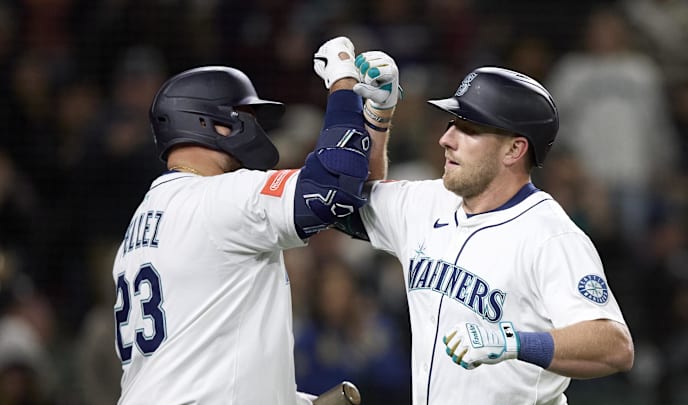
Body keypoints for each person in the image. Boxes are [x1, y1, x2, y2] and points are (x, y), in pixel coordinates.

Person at [324, 38, 635, 404]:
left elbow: (614, 346)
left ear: (514, 149)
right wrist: (378, 115)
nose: (445, 139)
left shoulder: (549, 235)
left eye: (468, 129)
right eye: (451, 123)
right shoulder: (428, 202)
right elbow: (348, 198)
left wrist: (513, 342)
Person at [112, 37, 374, 404]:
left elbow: (201, 359)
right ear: (213, 123)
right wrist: (344, 85)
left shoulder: (142, 222)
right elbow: (333, 187)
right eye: (246, 116)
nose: (256, 128)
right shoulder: (215, 199)